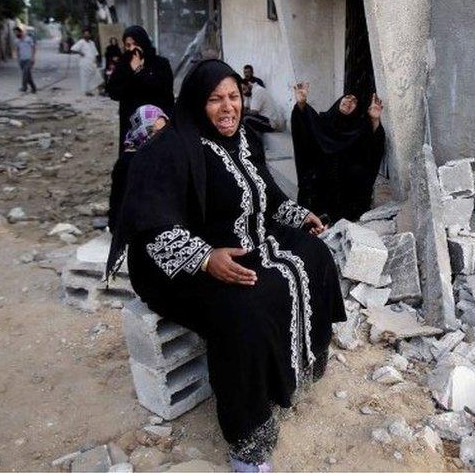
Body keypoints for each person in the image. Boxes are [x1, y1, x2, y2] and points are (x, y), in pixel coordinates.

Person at [105, 60, 345, 472]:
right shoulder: (172, 147)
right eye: (215, 99)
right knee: (245, 309)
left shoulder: (247, 138)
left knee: (316, 256)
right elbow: (150, 224)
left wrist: (298, 216)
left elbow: (267, 197)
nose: (227, 107)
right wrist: (203, 258)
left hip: (244, 242)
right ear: (198, 103)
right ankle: (247, 441)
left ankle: (306, 360)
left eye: (233, 96)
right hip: (180, 265)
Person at [291, 84, 386, 223]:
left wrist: (374, 120)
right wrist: (301, 103)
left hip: (346, 202)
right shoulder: (322, 122)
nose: (349, 102)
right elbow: (303, 126)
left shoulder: (358, 130)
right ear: (340, 99)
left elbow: (374, 148)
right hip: (317, 196)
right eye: (347, 97)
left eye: (355, 101)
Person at [108, 26, 174, 153]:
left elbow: (164, 91)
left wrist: (140, 72)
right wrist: (131, 72)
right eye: (128, 45)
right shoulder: (123, 66)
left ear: (143, 43)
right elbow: (113, 92)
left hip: (156, 122)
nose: (132, 49)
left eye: (136, 44)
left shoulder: (160, 64)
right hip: (131, 123)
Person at [107, 105, 169, 232]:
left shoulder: (155, 154)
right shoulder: (131, 161)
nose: (161, 137)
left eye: (164, 131)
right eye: (154, 132)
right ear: (142, 130)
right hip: (132, 230)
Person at [69, 29, 103, 95]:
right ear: (83, 35)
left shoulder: (92, 43)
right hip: (84, 63)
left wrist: (97, 61)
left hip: (92, 62)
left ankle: (100, 91)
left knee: (98, 76)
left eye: (88, 34)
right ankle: (87, 91)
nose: (87, 35)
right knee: (86, 78)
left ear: (90, 35)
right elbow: (72, 49)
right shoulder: (81, 42)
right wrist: (80, 52)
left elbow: (95, 53)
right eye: (85, 34)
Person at [13, 26, 36, 93]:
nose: (16, 34)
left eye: (17, 32)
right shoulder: (16, 41)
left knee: (25, 73)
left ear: (20, 32)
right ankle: (33, 88)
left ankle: (24, 87)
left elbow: (33, 48)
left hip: (29, 59)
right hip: (21, 60)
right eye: (15, 33)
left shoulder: (28, 39)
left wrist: (33, 57)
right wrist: (18, 59)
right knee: (28, 75)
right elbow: (17, 50)